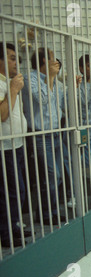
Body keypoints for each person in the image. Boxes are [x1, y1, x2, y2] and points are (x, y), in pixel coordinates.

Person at [22, 47, 70, 224]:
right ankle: (46, 215)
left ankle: (52, 212)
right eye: (52, 58)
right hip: (41, 135)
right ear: (44, 61)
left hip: (56, 133)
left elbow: (63, 105)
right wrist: (50, 78)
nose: (56, 61)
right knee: (51, 176)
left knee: (56, 177)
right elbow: (42, 99)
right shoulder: (30, 78)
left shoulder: (55, 82)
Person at [0, 43, 29, 246]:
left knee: (17, 190)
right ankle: (7, 234)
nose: (15, 62)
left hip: (17, 144)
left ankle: (14, 227)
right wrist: (13, 89)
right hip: (4, 148)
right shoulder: (5, 84)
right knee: (9, 192)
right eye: (11, 57)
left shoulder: (9, 82)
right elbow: (2, 115)